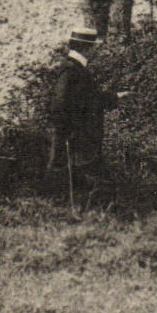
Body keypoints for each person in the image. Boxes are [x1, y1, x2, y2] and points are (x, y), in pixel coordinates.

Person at [47, 27, 111, 207]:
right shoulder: (71, 70)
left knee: (79, 172)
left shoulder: (76, 68)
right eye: (94, 47)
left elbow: (86, 98)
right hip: (75, 134)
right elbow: (60, 103)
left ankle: (76, 209)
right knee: (77, 172)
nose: (97, 51)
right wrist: (67, 129)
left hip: (78, 133)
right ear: (88, 48)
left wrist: (112, 98)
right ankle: (76, 210)